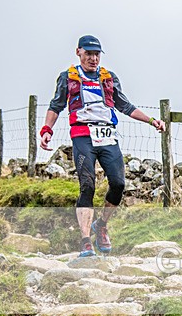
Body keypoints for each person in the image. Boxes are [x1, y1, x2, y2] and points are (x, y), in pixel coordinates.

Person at [40, 35, 165, 257]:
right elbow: (56, 105)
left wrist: (152, 121)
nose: (93, 58)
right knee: (87, 185)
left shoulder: (109, 77)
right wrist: (46, 130)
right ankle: (86, 241)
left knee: (118, 184)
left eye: (97, 54)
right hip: (82, 135)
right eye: (88, 53)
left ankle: (102, 225)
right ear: (78, 52)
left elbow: (124, 105)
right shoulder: (67, 77)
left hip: (108, 136)